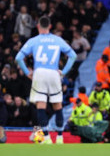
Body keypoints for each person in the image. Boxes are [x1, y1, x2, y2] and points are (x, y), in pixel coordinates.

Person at [15, 16, 77, 144]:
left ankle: (47, 138)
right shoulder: (57, 40)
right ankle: (60, 137)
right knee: (57, 105)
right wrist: (63, 72)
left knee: (41, 106)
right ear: (50, 26)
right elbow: (73, 56)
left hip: (40, 73)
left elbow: (18, 58)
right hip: (54, 73)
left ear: (38, 26)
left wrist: (27, 72)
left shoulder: (34, 40)